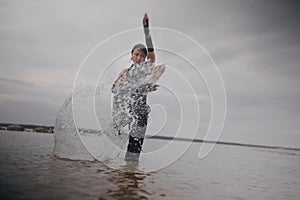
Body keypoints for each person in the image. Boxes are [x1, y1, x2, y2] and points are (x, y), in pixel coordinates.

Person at [111, 13, 160, 162]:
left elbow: (152, 52)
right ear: (131, 55)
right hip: (127, 112)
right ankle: (129, 180)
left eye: (142, 56)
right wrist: (120, 85)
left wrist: (146, 30)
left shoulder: (146, 68)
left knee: (133, 151)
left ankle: (131, 177)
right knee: (125, 148)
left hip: (140, 113)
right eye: (137, 54)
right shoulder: (125, 72)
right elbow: (114, 90)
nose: (139, 58)